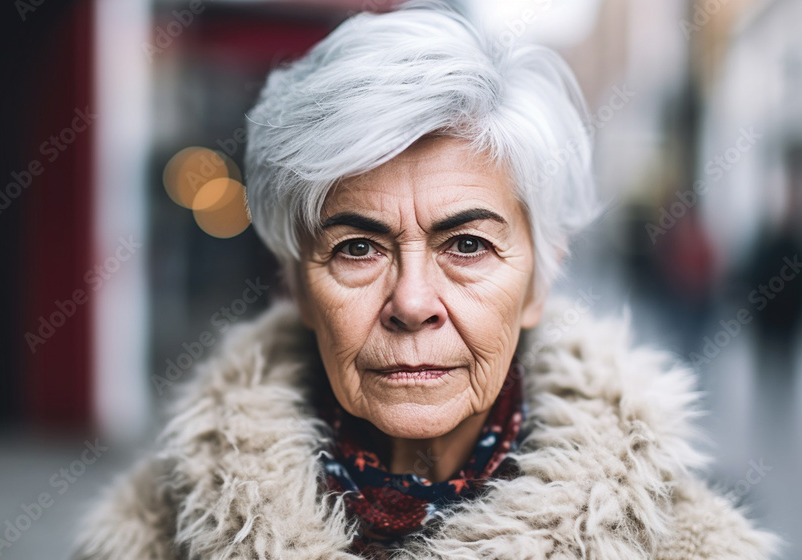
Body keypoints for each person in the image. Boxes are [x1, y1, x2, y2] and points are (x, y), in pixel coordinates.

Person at [75, 2, 782, 558]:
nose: (412, 303)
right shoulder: (156, 537)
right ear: (295, 284)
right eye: (358, 248)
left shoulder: (685, 547)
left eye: (467, 244)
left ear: (539, 282)